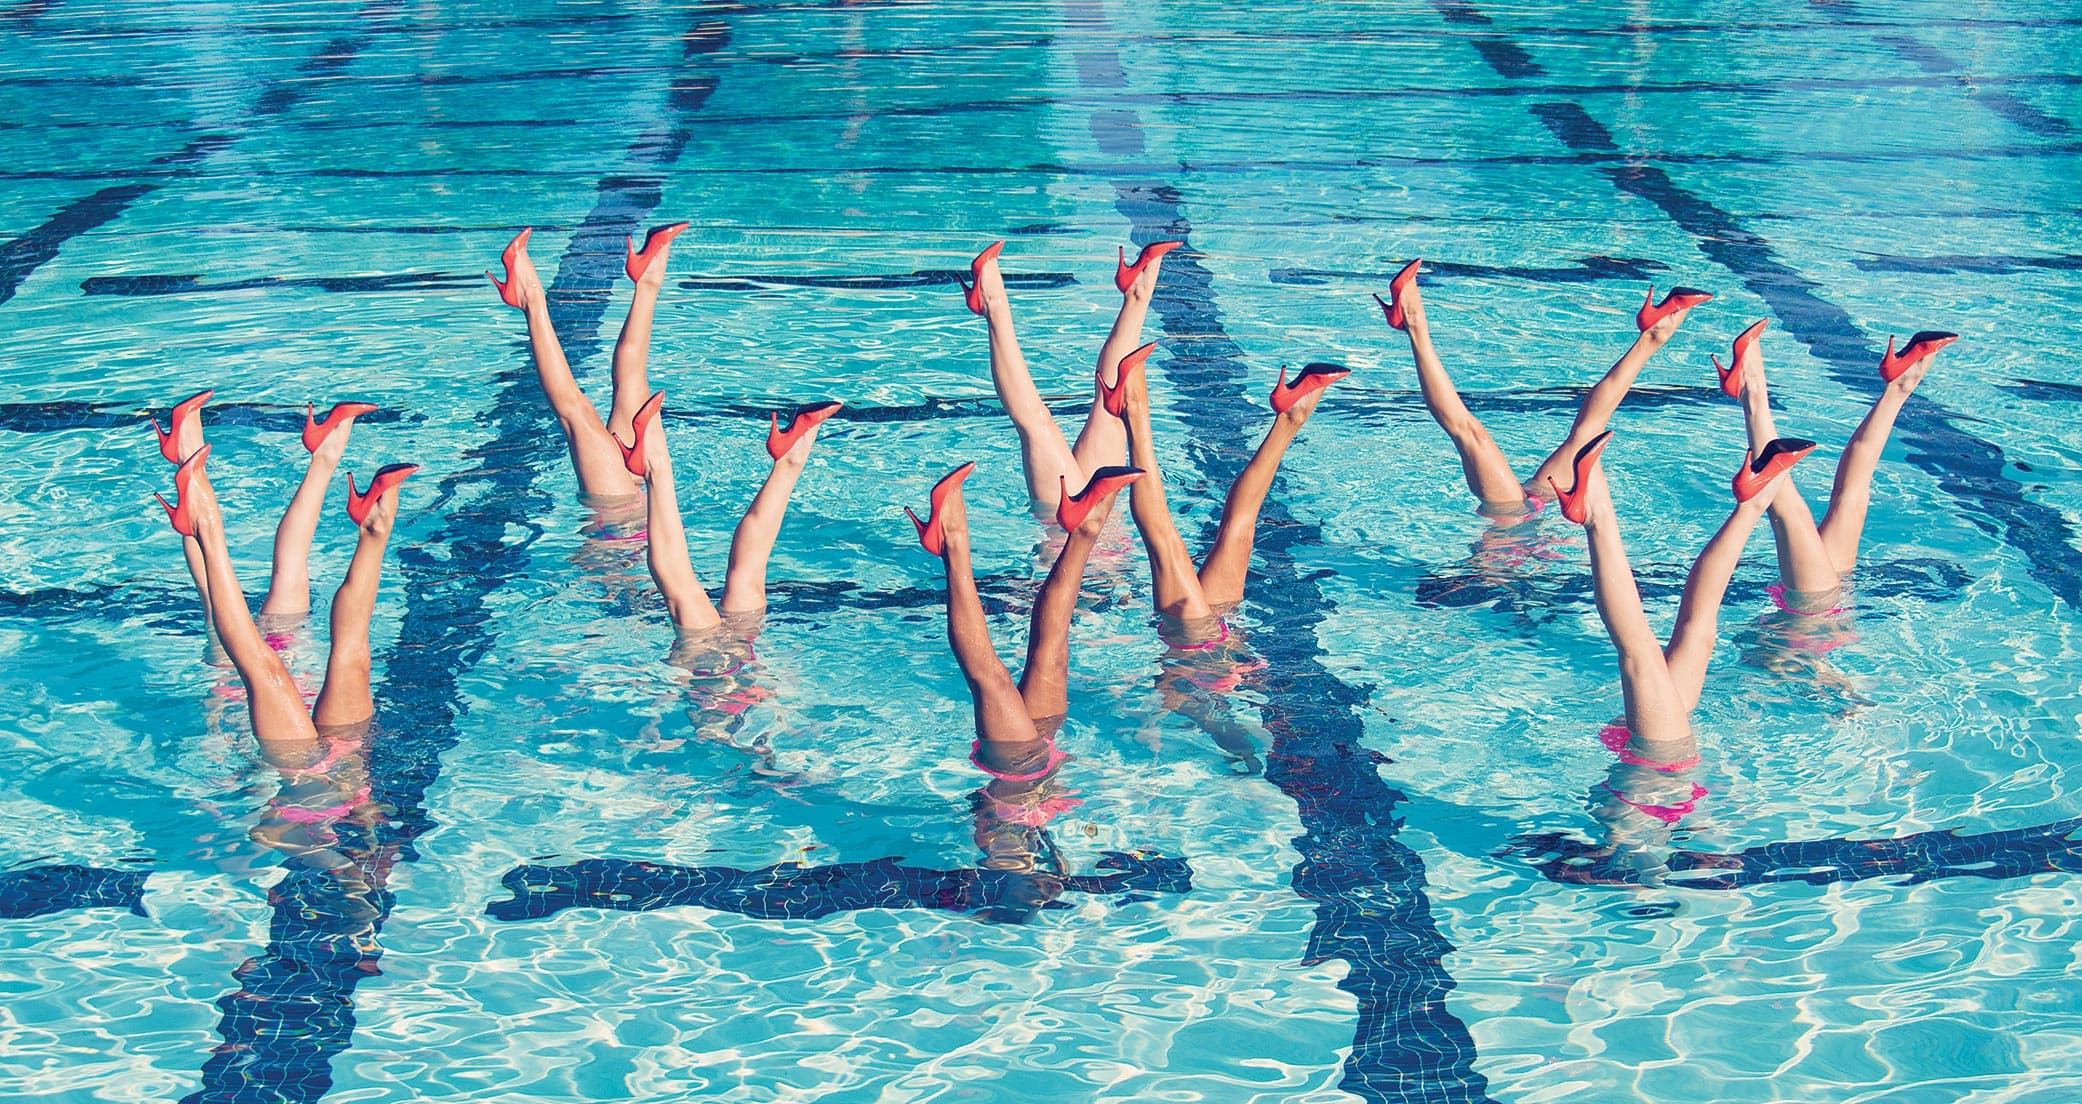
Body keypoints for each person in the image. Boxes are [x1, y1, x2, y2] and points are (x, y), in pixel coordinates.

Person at [151, 420, 415, 928]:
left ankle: (206, 525)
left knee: (261, 665)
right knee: (352, 654)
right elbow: (369, 822)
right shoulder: (361, 835)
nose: (379, 875)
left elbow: (264, 833)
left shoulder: (291, 837)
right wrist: (372, 839)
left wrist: (350, 883)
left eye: (375, 882)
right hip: (346, 747)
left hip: (296, 760)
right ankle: (375, 530)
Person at [1543, 427, 1812, 881]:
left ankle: (1596, 518)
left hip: (1657, 755)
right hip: (1664, 756)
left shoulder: (1630, 845)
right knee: (1698, 627)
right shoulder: (1650, 836)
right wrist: (1708, 836)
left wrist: (1655, 885)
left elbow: (1647, 885)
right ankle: (1753, 501)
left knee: (1638, 650)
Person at [904, 458, 1142, 920]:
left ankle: (952, 539)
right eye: (1045, 896)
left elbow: (992, 811)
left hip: (1013, 760)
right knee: (1053, 644)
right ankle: (1084, 525)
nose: (1046, 891)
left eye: (1033, 896)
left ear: (1006, 890)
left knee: (987, 673)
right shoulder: (1040, 850)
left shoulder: (995, 849)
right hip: (1044, 744)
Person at [1106, 339, 1342, 769]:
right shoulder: (1215, 704)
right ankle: (1289, 418)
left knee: (1163, 536)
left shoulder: (1191, 705)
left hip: (1190, 628)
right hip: (1221, 619)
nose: (1264, 722)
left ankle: (1133, 412)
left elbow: (1166, 688)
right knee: (1240, 526)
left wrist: (1152, 723)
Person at [1376, 258, 1711, 525]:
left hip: (1512, 515)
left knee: (1471, 434)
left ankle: (1414, 323)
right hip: (1540, 503)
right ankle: (1652, 338)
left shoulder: (1493, 573)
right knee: (1585, 434)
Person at [613, 388, 838, 764]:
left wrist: (655, 711)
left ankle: (657, 463)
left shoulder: (715, 735)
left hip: (713, 654)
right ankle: (791, 454)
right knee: (738, 570)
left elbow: (678, 709)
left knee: (713, 579)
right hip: (737, 651)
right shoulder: (742, 734)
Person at [1717, 319, 1956, 617]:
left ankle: (1750, 391)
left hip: (1813, 613)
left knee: (1792, 510)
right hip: (1837, 594)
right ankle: (1901, 385)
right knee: (1852, 499)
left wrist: (1821, 666)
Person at [487, 221, 688, 539]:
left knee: (575, 412)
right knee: (631, 382)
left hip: (617, 518)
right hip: (641, 503)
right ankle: (648, 280)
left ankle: (529, 299)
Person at [148, 392, 379, 663]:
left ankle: (186, 451)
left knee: (218, 593)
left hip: (238, 683)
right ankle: (326, 453)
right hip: (289, 675)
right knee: (290, 577)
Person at [957, 238, 1178, 516]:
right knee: (1111, 413)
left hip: (1064, 537)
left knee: (1039, 427)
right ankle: (1138, 295)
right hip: (1105, 539)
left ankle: (992, 302)